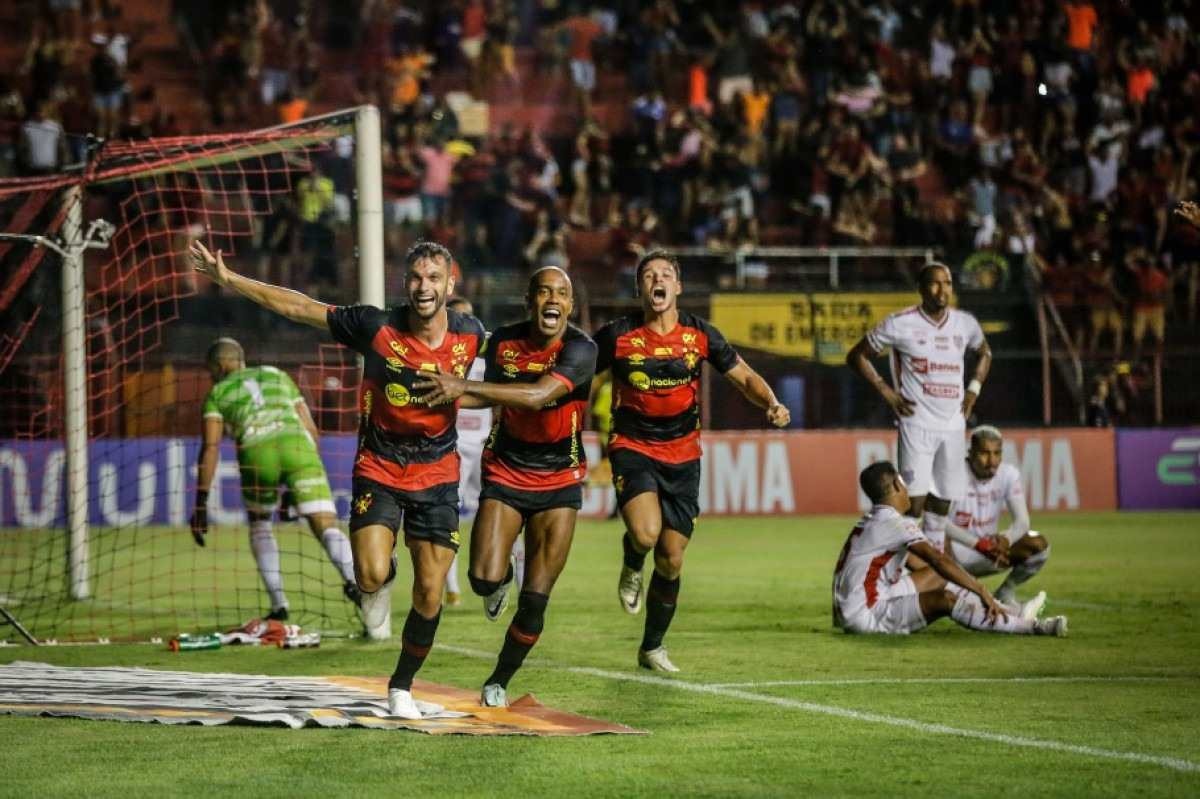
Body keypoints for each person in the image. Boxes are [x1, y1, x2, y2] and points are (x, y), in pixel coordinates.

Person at [189, 239, 485, 721]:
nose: (423, 287)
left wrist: (466, 391)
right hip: (380, 464)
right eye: (415, 277)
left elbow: (498, 387)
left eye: (434, 278)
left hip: (438, 471)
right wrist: (231, 280)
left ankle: (401, 687)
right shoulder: (376, 326)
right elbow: (300, 307)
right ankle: (377, 587)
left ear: (451, 284)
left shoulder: (472, 334)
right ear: (404, 282)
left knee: (431, 590)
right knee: (368, 574)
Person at [594, 250, 790, 672]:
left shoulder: (700, 335)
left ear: (678, 287)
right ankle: (631, 562)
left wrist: (770, 402)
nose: (657, 281)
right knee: (646, 535)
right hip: (634, 446)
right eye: (648, 275)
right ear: (640, 288)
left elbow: (743, 377)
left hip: (684, 454)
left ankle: (652, 647)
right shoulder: (617, 336)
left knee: (671, 557)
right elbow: (576, 378)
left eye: (665, 274)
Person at [416, 267, 595, 707]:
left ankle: (499, 679)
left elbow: (538, 395)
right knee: (481, 578)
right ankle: (500, 581)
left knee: (535, 600)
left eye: (561, 294)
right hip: (508, 470)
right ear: (530, 300)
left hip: (560, 479)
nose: (552, 300)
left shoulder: (581, 348)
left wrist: (464, 387)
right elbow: (486, 393)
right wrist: (446, 393)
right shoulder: (503, 343)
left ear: (569, 307)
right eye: (543, 292)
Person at [191, 338, 359, 620]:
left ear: (220, 366)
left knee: (260, 525)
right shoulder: (276, 375)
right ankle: (355, 583)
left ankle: (279, 605)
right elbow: (310, 428)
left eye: (211, 370)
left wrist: (201, 502)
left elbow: (210, 447)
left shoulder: (218, 392)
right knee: (326, 526)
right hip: (299, 448)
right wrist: (299, 479)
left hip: (258, 454)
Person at [846, 263, 992, 555]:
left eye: (948, 283)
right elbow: (857, 356)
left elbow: (985, 352)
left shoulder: (965, 324)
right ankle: (894, 564)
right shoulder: (900, 323)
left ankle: (930, 568)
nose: (943, 290)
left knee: (942, 502)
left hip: (953, 424)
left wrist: (973, 390)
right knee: (912, 504)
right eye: (935, 283)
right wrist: (887, 392)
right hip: (917, 424)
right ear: (922, 289)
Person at [833, 461, 1067, 637]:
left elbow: (924, 566)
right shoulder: (895, 524)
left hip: (858, 604)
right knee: (945, 599)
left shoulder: (875, 519)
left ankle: (1011, 612)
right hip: (866, 614)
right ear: (896, 485)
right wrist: (981, 590)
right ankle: (1031, 627)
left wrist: (959, 581)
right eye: (904, 483)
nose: (909, 490)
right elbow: (937, 559)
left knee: (938, 576)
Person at [943, 427, 1051, 611]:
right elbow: (940, 522)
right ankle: (955, 593)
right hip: (953, 556)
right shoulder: (953, 474)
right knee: (936, 539)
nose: (992, 461)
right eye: (984, 453)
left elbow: (1022, 522)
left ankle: (1005, 592)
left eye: (997, 453)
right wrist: (977, 543)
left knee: (1039, 544)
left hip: (991, 551)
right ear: (970, 453)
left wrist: (1005, 539)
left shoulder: (1008, 474)